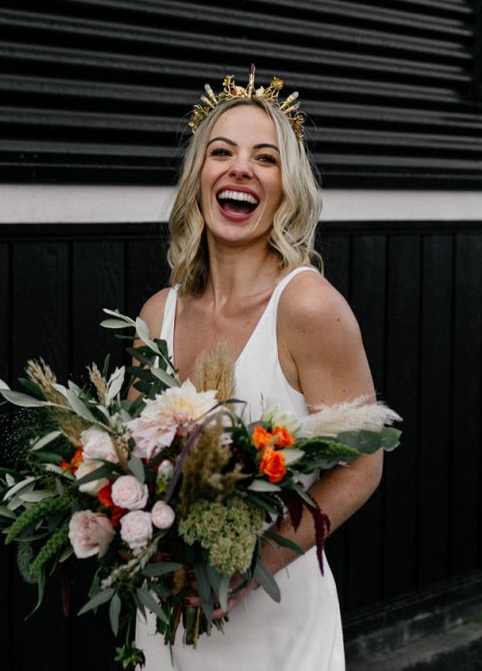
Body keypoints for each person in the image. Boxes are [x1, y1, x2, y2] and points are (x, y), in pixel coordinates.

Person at [132, 66, 382, 670]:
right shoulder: (156, 314)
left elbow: (364, 464)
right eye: (222, 151)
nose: (240, 168)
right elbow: (137, 461)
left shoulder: (307, 305)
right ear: (199, 177)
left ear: (285, 187)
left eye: (264, 158)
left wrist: (252, 565)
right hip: (164, 615)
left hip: (272, 619)